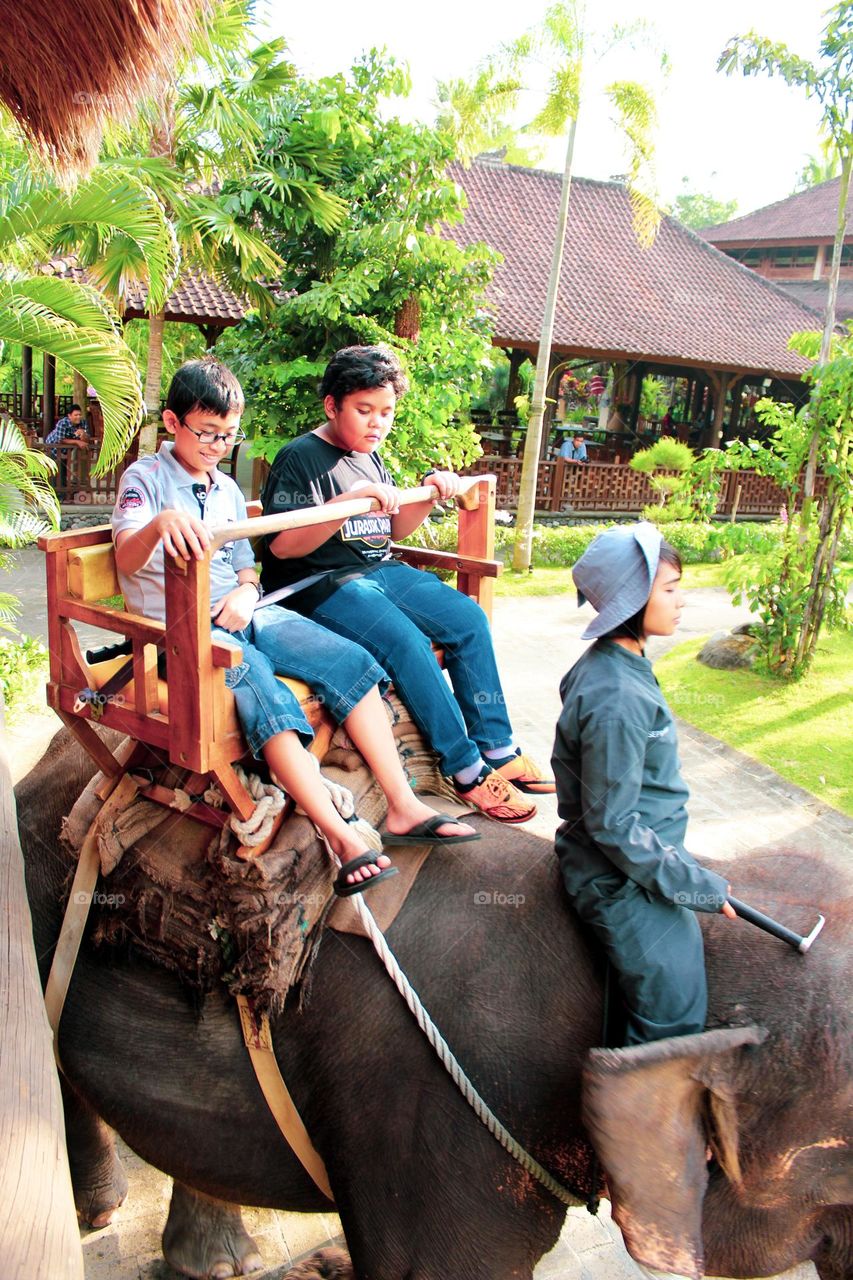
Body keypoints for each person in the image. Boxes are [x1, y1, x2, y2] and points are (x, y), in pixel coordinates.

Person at [112, 358, 478, 898]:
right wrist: (162, 524)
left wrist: (244, 590)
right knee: (262, 690)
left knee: (352, 663)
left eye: (227, 435)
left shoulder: (227, 489)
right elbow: (125, 553)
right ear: (171, 422)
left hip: (244, 613)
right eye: (205, 433)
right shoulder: (144, 479)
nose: (216, 445)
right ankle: (344, 839)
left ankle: (402, 805)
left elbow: (245, 561)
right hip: (182, 630)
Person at [260, 344, 555, 825]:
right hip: (317, 584)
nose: (377, 423)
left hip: (378, 570)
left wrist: (432, 491)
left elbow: (391, 531)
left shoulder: (371, 456)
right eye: (364, 410)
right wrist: (348, 504)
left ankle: (498, 747)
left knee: (468, 619)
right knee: (406, 642)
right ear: (332, 405)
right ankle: (465, 769)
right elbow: (282, 548)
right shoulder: (302, 457)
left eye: (386, 412)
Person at [552, 523, 736, 1045]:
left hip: (642, 851)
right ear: (633, 598)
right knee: (675, 1005)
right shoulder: (617, 696)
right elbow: (612, 822)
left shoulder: (621, 664)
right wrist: (692, 885)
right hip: (617, 873)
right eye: (670, 589)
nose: (683, 602)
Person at [47, 403, 90, 487]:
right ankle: (57, 494)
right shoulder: (62, 423)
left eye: (80, 415)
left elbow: (86, 440)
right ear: (69, 416)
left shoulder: (83, 422)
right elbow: (60, 440)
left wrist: (83, 434)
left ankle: (63, 493)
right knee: (56, 473)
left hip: (66, 451)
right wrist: (77, 442)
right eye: (76, 415)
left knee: (63, 472)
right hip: (53, 448)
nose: (78, 417)